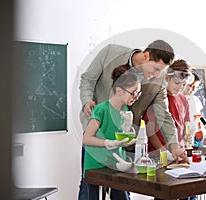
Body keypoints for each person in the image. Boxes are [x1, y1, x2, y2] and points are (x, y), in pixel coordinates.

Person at [79, 40, 189, 199]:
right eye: (156, 68)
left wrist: (174, 145)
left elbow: (163, 114)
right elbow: (88, 79)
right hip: (98, 136)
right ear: (146, 56)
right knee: (90, 188)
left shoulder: (158, 80)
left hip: (123, 143)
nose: (158, 75)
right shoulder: (110, 52)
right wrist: (86, 101)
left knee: (122, 190)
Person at [82, 64, 140, 200]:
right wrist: (108, 143)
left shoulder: (126, 110)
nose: (136, 97)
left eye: (138, 93)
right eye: (134, 93)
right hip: (96, 165)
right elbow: (87, 139)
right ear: (119, 91)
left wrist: (126, 141)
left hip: (116, 164)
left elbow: (120, 135)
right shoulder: (101, 110)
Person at [143, 59, 196, 200]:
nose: (179, 88)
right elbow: (151, 131)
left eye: (183, 84)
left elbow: (182, 127)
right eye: (177, 83)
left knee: (189, 191)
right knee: (165, 194)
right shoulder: (159, 99)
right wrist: (163, 151)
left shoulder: (184, 100)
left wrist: (183, 144)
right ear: (167, 77)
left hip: (178, 154)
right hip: (159, 155)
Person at [182, 69, 203, 143]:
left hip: (193, 138)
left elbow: (199, 118)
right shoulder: (176, 99)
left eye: (196, 87)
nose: (194, 89)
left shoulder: (196, 100)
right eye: (191, 86)